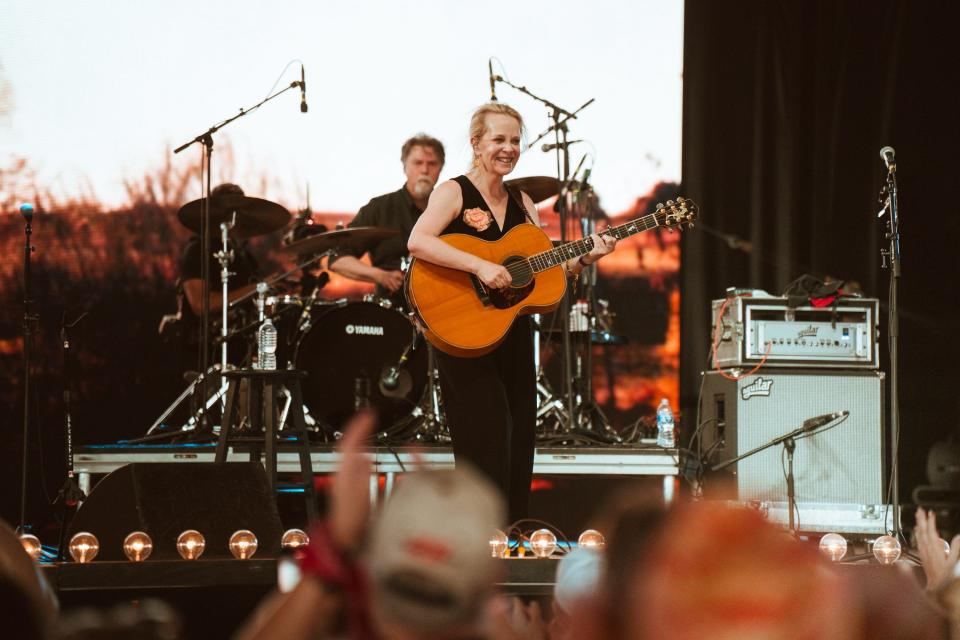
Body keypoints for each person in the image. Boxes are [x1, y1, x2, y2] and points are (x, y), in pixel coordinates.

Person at [406, 102, 616, 522]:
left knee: (520, 437)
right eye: (499, 139)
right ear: (477, 143)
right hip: (465, 331)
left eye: (516, 141)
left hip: (514, 332)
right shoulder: (454, 192)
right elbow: (418, 241)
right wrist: (480, 265)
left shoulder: (522, 202)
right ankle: (478, 536)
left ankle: (513, 536)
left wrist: (584, 259)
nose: (508, 148)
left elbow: (544, 271)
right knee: (484, 437)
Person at [328, 134, 444, 307]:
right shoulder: (379, 208)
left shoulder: (449, 209)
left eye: (432, 163)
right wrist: (380, 275)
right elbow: (337, 259)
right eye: (418, 163)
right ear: (405, 166)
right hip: (392, 310)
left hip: (443, 308)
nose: (425, 170)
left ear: (441, 167)